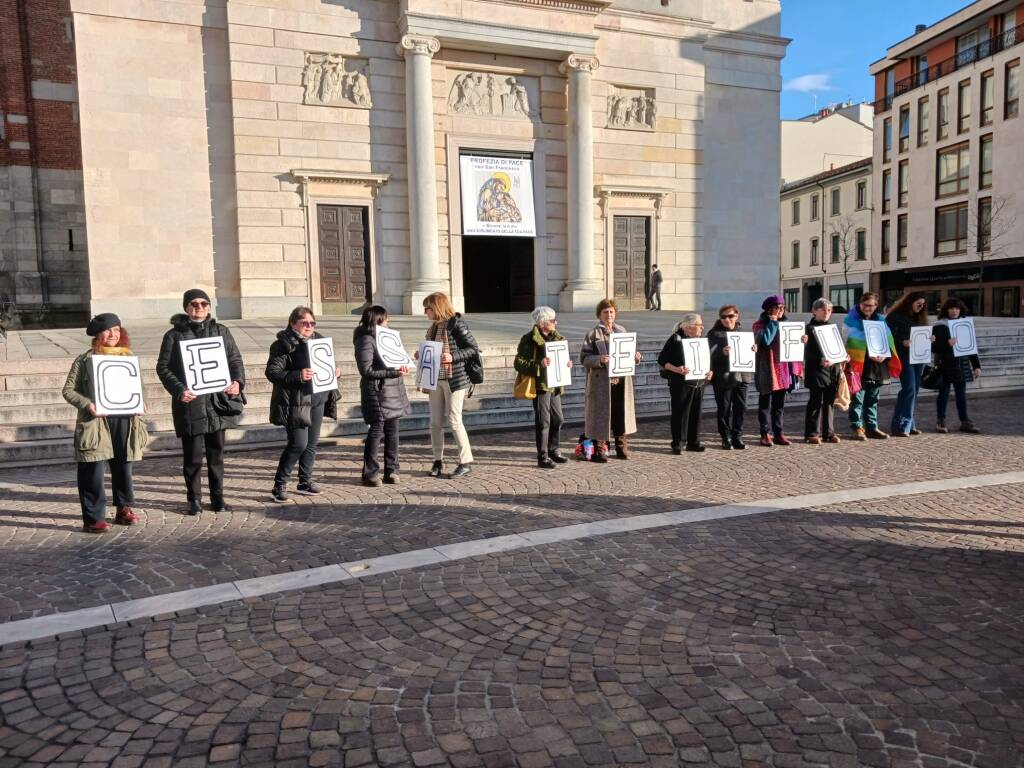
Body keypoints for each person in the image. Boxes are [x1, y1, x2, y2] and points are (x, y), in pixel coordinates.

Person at [156, 289, 245, 515]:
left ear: (209, 306)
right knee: (193, 457)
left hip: (217, 403)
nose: (199, 308)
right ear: (186, 307)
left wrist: (237, 382)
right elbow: (163, 367)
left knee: (217, 456)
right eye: (194, 304)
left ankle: (218, 499)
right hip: (191, 404)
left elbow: (235, 359)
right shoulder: (173, 335)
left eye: (204, 304)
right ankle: (194, 500)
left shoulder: (221, 331)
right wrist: (179, 390)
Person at [62, 313, 149, 533]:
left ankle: (123, 508)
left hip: (124, 418)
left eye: (117, 330)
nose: (113, 335)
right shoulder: (84, 360)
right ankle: (93, 518)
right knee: (93, 470)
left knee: (123, 466)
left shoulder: (128, 357)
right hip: (95, 421)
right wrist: (88, 404)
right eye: (108, 330)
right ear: (98, 334)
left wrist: (141, 402)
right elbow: (68, 390)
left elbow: (138, 386)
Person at [266, 307, 340, 502]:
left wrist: (334, 371)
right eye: (304, 323)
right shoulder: (282, 344)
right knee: (298, 444)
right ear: (293, 323)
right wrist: (297, 375)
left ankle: (305, 481)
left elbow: (326, 364)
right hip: (296, 402)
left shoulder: (320, 340)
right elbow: (273, 372)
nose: (309, 326)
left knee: (311, 444)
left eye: (312, 323)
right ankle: (279, 485)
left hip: (318, 398)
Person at [418, 292, 479, 478]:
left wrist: (453, 357)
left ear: (436, 308)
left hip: (455, 379)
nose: (425, 312)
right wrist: (420, 355)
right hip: (435, 379)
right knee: (435, 422)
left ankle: (466, 461)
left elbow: (473, 349)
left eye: (427, 308)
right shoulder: (432, 328)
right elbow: (431, 351)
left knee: (454, 419)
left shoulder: (456, 324)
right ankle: (438, 460)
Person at [354, 305, 412, 485]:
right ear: (378, 320)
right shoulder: (366, 339)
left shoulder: (386, 337)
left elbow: (395, 359)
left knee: (393, 431)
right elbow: (366, 370)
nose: (388, 322)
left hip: (393, 390)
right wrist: (392, 373)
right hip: (377, 391)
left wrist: (401, 367)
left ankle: (392, 470)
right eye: (386, 319)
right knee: (377, 431)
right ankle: (370, 473)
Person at [581, 298, 643, 461]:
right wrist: (599, 360)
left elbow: (629, 353)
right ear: (599, 315)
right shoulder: (593, 334)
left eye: (611, 312)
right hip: (601, 383)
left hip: (621, 382)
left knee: (619, 415)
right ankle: (600, 449)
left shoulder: (622, 331)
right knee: (600, 417)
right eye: (605, 312)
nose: (609, 314)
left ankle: (621, 447)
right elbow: (584, 359)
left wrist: (636, 357)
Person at [514, 306, 573, 468]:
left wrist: (567, 364)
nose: (556, 323)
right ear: (542, 323)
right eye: (552, 320)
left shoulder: (558, 338)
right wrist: (538, 365)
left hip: (555, 384)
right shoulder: (529, 339)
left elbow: (562, 359)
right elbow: (518, 363)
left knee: (558, 418)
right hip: (540, 385)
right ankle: (543, 455)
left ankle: (554, 449)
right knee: (543, 422)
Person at [844, 292, 901, 441]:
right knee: (857, 399)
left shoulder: (882, 321)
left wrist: (885, 354)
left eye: (872, 305)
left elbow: (888, 341)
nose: (868, 308)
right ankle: (857, 427)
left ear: (876, 306)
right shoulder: (851, 320)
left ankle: (872, 427)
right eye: (865, 305)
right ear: (860, 304)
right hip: (858, 364)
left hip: (877, 365)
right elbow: (849, 341)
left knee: (873, 399)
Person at [752, 295, 804, 447]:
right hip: (767, 369)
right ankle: (765, 433)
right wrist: (773, 323)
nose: (781, 310)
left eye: (783, 307)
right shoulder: (759, 325)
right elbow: (766, 341)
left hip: (782, 370)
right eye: (778, 307)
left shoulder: (787, 325)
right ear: (770, 309)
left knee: (779, 405)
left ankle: (778, 432)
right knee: (765, 404)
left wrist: (802, 340)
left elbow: (792, 346)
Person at [658, 312, 713, 453]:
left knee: (696, 413)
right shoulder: (675, 339)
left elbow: (707, 360)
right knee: (680, 413)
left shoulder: (701, 340)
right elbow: (662, 360)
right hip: (680, 383)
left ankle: (693, 442)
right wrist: (677, 369)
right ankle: (678, 442)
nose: (702, 328)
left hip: (699, 383)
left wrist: (710, 371)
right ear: (689, 327)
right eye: (699, 325)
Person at [932, 297, 982, 434]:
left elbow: (971, 347)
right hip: (945, 364)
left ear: (961, 310)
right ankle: (940, 421)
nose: (954, 311)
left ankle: (965, 422)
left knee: (961, 395)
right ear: (946, 310)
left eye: (957, 308)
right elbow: (934, 347)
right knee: (944, 394)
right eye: (951, 308)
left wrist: (976, 366)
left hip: (961, 364)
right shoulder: (939, 325)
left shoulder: (965, 325)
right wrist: (947, 344)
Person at [707, 304, 752, 450]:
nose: (727, 319)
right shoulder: (714, 334)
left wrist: (753, 349)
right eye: (724, 317)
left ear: (736, 316)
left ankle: (737, 436)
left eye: (730, 316)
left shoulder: (743, 332)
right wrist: (722, 352)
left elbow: (749, 353)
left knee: (741, 408)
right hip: (723, 377)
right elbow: (708, 355)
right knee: (724, 408)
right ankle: (725, 437)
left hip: (742, 376)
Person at [885, 291, 930, 437]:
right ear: (910, 302)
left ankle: (909, 424)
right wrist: (901, 342)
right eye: (918, 304)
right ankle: (900, 425)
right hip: (904, 357)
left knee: (914, 390)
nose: (921, 307)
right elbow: (888, 336)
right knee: (909, 389)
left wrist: (930, 339)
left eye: (923, 305)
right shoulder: (894, 316)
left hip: (918, 357)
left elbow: (922, 334)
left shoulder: (920, 318)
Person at [803, 298, 846, 445]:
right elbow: (807, 351)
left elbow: (838, 348)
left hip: (832, 369)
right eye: (823, 309)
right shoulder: (808, 328)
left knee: (829, 402)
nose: (827, 312)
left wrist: (843, 356)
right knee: (815, 402)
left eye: (829, 310)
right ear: (814, 311)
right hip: (816, 369)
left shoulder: (832, 328)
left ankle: (829, 433)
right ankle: (811, 433)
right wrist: (820, 359)